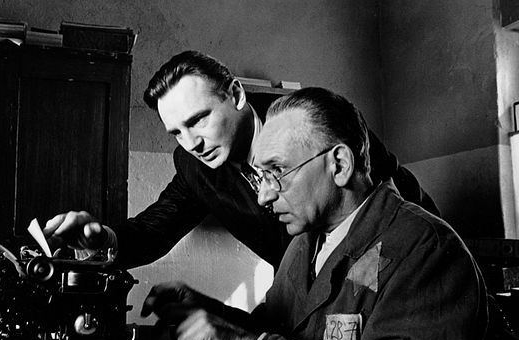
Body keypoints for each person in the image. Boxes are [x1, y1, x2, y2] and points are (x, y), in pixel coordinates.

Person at [140, 87, 487, 340]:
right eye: (261, 176)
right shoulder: (305, 243)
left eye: (277, 171)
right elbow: (277, 333)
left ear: (339, 164)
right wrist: (214, 319)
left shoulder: (425, 249)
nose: (263, 196)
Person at [43, 50, 438, 270]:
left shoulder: (311, 120)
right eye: (176, 132)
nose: (191, 143)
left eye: (198, 120)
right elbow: (153, 231)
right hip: (302, 302)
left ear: (235, 94)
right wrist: (102, 240)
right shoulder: (196, 167)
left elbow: (400, 197)